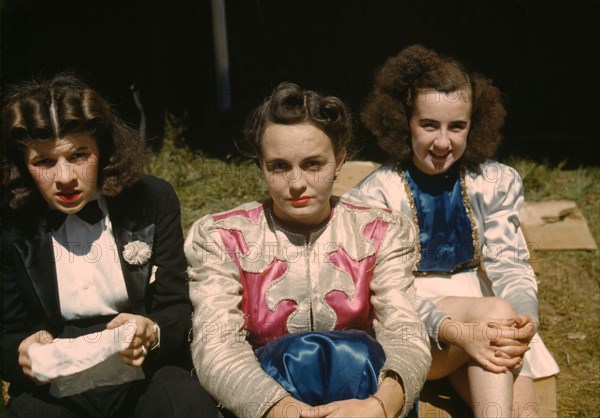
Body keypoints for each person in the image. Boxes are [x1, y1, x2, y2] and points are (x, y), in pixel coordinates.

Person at [184, 82, 431, 418]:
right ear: (261, 166)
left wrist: (380, 407)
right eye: (280, 166)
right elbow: (216, 345)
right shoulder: (223, 237)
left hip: (364, 400)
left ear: (339, 160)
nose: (296, 182)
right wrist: (277, 408)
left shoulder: (380, 231)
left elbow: (405, 332)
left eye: (313, 164)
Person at [343, 44, 560, 417]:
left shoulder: (493, 181)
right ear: (403, 120)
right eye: (429, 125)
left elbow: (510, 264)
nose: (443, 142)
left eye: (456, 126)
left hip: (492, 324)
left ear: (473, 126)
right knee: (495, 313)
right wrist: (464, 332)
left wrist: (527, 318)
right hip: (415, 321)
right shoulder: (375, 195)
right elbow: (385, 292)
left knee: (521, 409)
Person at [1, 73, 218, 418]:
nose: (65, 178)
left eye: (79, 155)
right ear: (22, 166)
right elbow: (7, 331)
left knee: (187, 405)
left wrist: (153, 332)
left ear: (103, 148)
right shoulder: (9, 220)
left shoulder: (152, 199)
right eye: (44, 162)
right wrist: (20, 352)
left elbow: (177, 306)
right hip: (54, 376)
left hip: (142, 365)